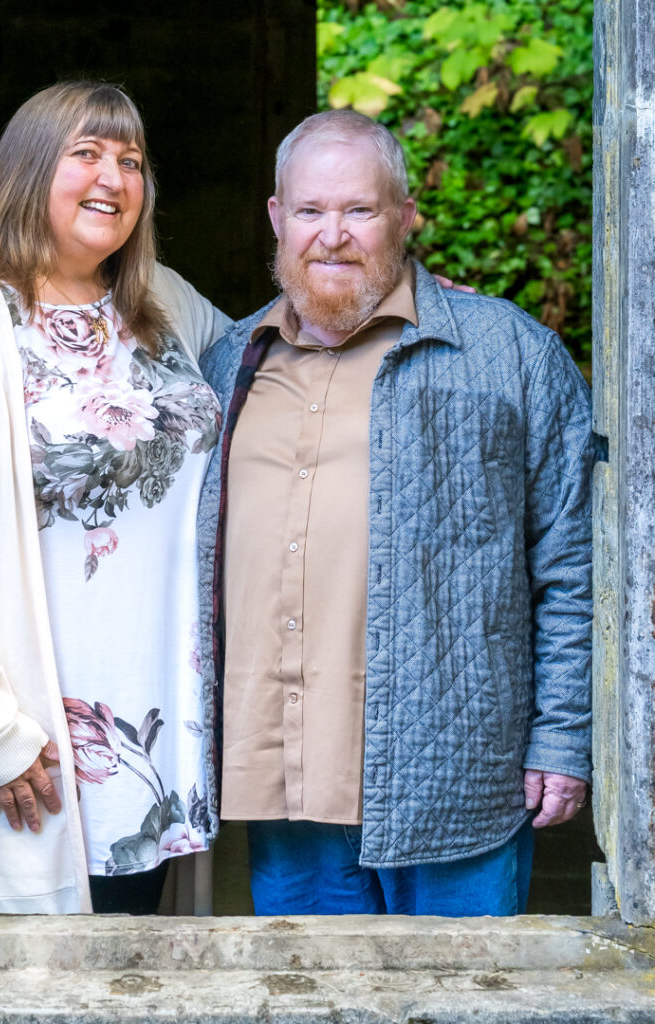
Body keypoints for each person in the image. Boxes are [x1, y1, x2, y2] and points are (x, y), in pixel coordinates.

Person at [197, 110, 593, 917]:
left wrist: (561, 737)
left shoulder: (507, 353)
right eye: (309, 210)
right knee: (307, 985)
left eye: (360, 210)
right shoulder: (225, 362)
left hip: (454, 777)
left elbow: (572, 564)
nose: (331, 235)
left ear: (405, 216)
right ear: (276, 218)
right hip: (286, 788)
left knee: (467, 984)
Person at [0, 81, 232, 915]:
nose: (113, 177)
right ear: (27, 172)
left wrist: (370, 294)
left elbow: (273, 358)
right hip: (26, 742)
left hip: (147, 737)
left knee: (130, 954)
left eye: (130, 160)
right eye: (86, 153)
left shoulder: (165, 302)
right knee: (17, 970)